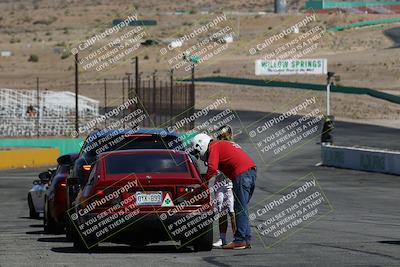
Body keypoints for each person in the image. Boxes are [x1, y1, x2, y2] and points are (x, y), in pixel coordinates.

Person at [192, 131, 256, 250]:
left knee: (239, 208)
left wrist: (202, 183)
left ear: (201, 145)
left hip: (242, 174)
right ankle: (246, 239)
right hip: (250, 172)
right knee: (242, 207)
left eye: (198, 151)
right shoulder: (221, 144)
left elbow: (212, 168)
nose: (200, 155)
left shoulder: (214, 146)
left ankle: (240, 240)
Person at [212, 125, 236, 247]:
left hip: (229, 184)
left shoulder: (232, 147)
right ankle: (222, 239)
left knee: (231, 211)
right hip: (219, 183)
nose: (221, 137)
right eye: (221, 135)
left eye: (223, 135)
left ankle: (236, 239)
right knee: (221, 211)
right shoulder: (217, 146)